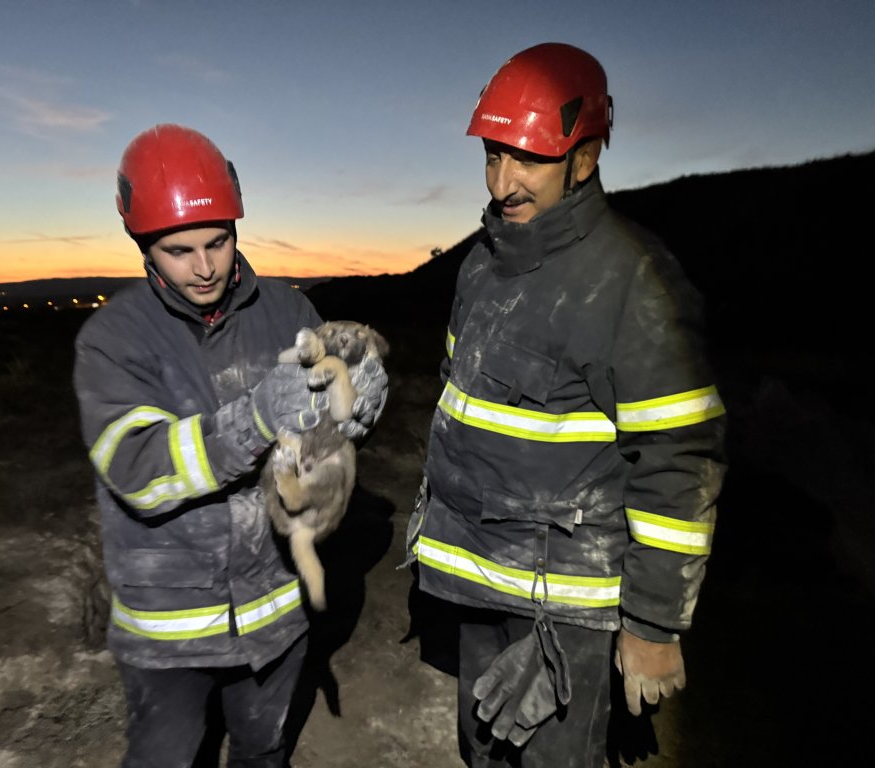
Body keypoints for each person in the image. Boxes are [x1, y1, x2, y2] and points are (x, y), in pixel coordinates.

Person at [405, 43, 727, 767]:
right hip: (478, 581)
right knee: (480, 750)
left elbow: (678, 462)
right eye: (493, 154)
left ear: (583, 158)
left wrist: (651, 626)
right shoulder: (481, 269)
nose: (503, 179)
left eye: (528, 158)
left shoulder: (634, 284)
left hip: (565, 607)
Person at [73, 123, 388, 768]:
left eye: (217, 241)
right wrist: (257, 418)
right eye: (178, 250)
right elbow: (137, 470)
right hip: (170, 628)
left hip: (275, 609)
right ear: (143, 246)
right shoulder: (112, 338)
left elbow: (324, 427)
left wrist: (357, 409)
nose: (205, 265)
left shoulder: (288, 311)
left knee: (263, 749)